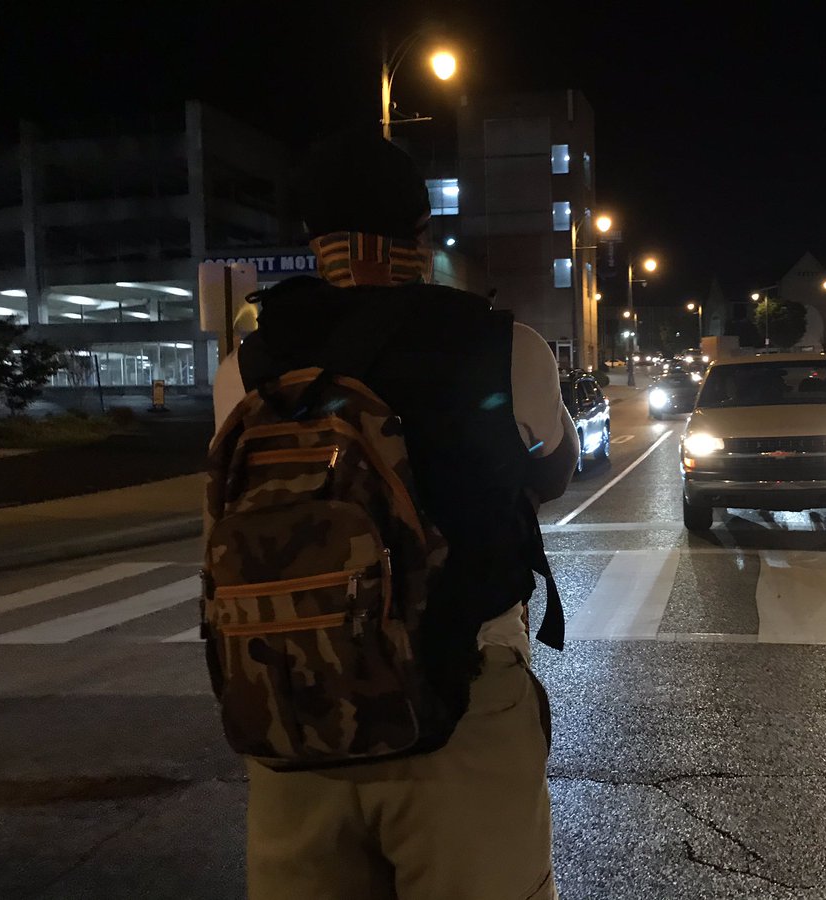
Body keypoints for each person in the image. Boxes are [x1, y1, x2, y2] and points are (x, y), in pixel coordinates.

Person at [210, 129, 577, 900]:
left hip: (298, 720)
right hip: (461, 705)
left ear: (314, 241)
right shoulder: (501, 344)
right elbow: (552, 472)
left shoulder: (246, 366)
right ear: (420, 233)